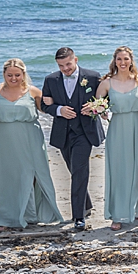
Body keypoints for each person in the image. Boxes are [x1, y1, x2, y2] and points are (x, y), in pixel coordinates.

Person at [0, 58, 63, 232]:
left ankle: (31, 215)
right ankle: (4, 218)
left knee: (29, 174)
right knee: (5, 177)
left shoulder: (33, 92)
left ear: (24, 74)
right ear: (4, 74)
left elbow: (49, 108)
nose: (13, 78)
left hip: (30, 139)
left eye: (17, 75)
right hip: (3, 141)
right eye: (9, 75)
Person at [40, 47, 105, 231]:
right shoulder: (51, 80)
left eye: (68, 64)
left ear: (75, 59)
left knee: (79, 170)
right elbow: (45, 105)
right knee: (75, 170)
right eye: (61, 66)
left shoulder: (93, 77)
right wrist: (59, 110)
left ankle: (78, 217)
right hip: (63, 133)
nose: (65, 69)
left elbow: (104, 101)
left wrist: (93, 107)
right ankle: (87, 204)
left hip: (85, 132)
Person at [95, 46, 138, 231]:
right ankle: (118, 214)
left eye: (126, 59)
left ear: (131, 61)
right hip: (117, 128)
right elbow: (97, 105)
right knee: (120, 171)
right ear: (114, 61)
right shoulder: (107, 83)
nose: (122, 62)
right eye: (119, 59)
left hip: (137, 126)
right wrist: (101, 112)